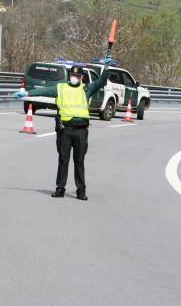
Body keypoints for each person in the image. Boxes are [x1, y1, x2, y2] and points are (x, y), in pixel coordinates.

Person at [12, 59, 111, 201]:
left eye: (78, 76)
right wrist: (27, 93)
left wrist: (106, 68)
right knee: (63, 160)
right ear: (69, 75)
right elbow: (44, 91)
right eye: (73, 75)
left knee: (79, 161)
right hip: (65, 130)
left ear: (82, 77)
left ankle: (81, 190)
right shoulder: (61, 88)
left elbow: (101, 81)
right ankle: (60, 188)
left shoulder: (86, 89)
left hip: (81, 131)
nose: (75, 77)